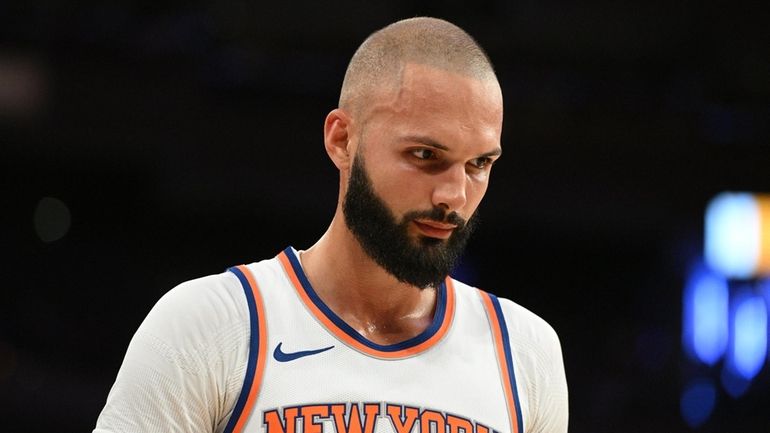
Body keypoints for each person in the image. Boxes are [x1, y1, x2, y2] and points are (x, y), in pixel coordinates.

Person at [93, 17, 568, 433]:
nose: (454, 196)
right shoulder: (209, 325)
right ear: (342, 139)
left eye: (479, 164)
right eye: (425, 156)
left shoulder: (526, 352)